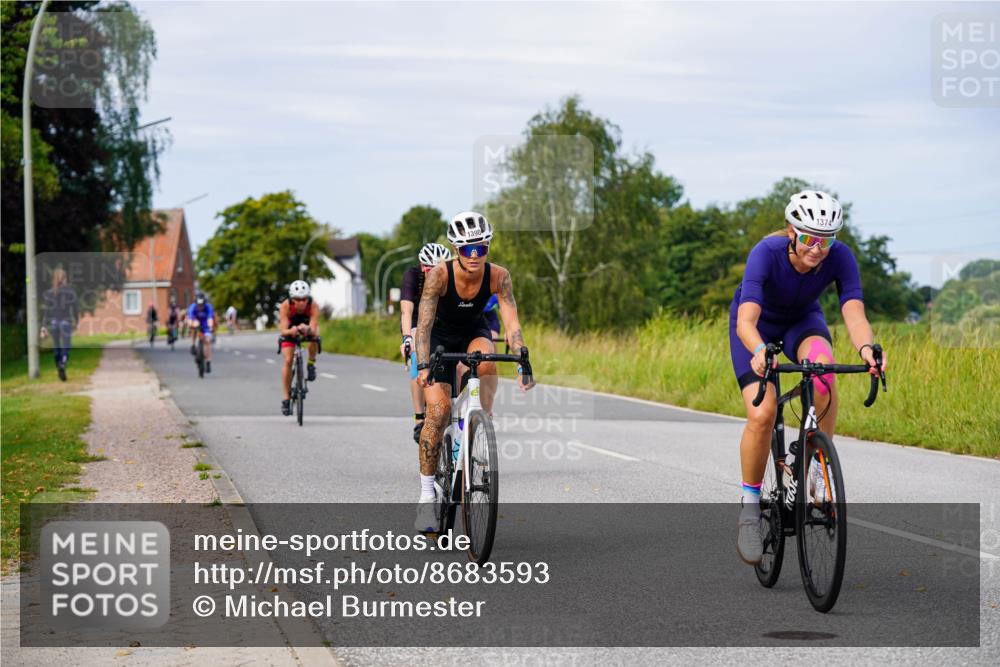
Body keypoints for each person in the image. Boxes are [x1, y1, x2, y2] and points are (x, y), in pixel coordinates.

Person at [731, 190, 887, 565]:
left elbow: (853, 312)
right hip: (758, 329)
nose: (818, 248)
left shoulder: (841, 257)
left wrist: (867, 350)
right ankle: (750, 511)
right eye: (809, 238)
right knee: (762, 415)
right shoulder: (765, 253)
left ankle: (816, 467)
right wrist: (759, 351)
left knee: (823, 375)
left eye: (827, 239)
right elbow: (746, 321)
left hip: (804, 321)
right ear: (791, 231)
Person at [413, 211, 535, 532]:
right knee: (438, 411)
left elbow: (511, 322)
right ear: (456, 250)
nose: (476, 255)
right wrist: (423, 364)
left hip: (472, 331)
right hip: (438, 337)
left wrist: (523, 356)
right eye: (469, 250)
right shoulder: (439, 276)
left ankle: (482, 415)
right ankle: (427, 496)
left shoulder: (499, 276)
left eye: (481, 247)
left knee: (488, 357)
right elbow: (423, 327)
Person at [399, 243, 452, 444]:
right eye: (431, 270)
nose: (435, 274)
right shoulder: (412, 277)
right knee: (416, 355)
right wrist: (407, 338)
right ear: (423, 267)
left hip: (440, 321)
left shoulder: (449, 276)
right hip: (416, 320)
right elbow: (406, 312)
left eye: (440, 269)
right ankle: (420, 416)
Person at [278, 280, 320, 416]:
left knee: (315, 338)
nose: (301, 303)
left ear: (308, 298)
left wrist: (308, 329)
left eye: (304, 299)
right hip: (291, 329)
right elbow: (283, 330)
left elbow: (314, 328)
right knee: (288, 360)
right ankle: (285, 398)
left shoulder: (313, 306)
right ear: (292, 299)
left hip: (307, 328)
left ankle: (311, 364)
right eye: (297, 299)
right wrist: (292, 331)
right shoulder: (285, 306)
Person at [40, 267, 78, 382]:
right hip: (66, 322)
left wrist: (43, 326)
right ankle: (63, 363)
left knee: (56, 346)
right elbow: (75, 309)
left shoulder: (49, 293)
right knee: (66, 346)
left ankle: (58, 367)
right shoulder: (70, 292)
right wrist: (77, 321)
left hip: (53, 323)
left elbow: (46, 311)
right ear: (65, 278)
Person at [187, 292, 216, 373]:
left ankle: (208, 362)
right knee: (194, 328)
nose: (200, 307)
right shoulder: (192, 307)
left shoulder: (208, 307)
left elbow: (210, 319)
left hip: (205, 324)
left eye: (202, 305)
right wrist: (191, 325)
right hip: (196, 323)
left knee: (208, 341)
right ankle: (193, 345)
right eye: (199, 305)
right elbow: (190, 319)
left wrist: (210, 327)